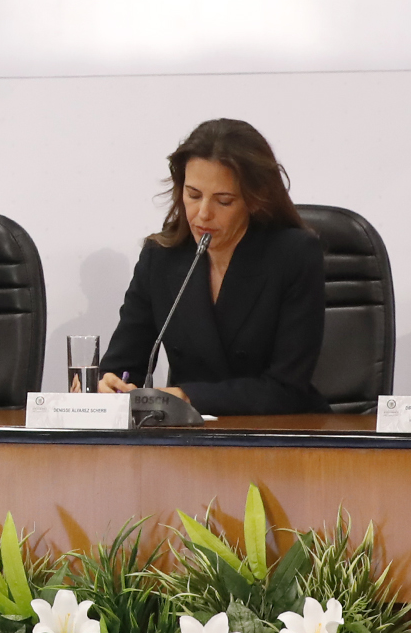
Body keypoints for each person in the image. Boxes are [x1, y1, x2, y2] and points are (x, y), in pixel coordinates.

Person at [96, 119, 327, 415]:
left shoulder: (294, 254)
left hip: (277, 431)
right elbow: (123, 365)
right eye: (193, 195)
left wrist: (186, 396)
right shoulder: (160, 257)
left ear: (254, 200)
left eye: (224, 201)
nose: (203, 214)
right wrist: (110, 384)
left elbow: (287, 389)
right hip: (186, 434)